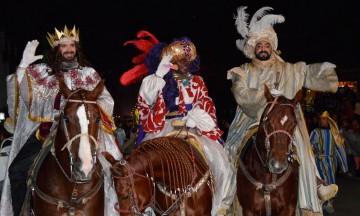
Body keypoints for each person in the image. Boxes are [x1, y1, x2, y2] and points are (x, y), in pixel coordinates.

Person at [225, 6, 339, 215]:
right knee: (230, 153)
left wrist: (323, 70)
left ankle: (315, 184)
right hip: (252, 119)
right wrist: (263, 94)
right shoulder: (242, 70)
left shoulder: (288, 68)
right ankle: (225, 198)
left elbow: (305, 71)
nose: (263, 47)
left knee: (301, 145)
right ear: (253, 48)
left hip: (283, 120)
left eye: (267, 44)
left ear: (272, 47)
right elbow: (241, 95)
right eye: (259, 44)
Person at [0, 25, 122, 216]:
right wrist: (23, 67)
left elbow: (106, 100)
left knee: (114, 171)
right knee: (17, 170)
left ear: (77, 48)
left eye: (71, 45)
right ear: (57, 49)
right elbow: (25, 97)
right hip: (48, 132)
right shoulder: (43, 73)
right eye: (63, 45)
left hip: (84, 130)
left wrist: (86, 108)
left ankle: (115, 209)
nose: (68, 49)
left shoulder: (89, 74)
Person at [120, 30, 232, 215]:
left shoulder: (198, 81)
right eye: (179, 61)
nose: (183, 65)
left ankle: (220, 204)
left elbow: (206, 101)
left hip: (193, 126)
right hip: (165, 125)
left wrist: (198, 115)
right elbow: (146, 99)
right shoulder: (160, 80)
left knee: (220, 158)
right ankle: (147, 207)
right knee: (145, 161)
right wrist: (158, 76)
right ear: (171, 63)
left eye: (186, 61)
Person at [310, 111, 348, 214]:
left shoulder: (333, 133)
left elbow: (339, 147)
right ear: (319, 120)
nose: (324, 121)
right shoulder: (315, 132)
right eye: (322, 119)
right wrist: (315, 150)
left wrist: (343, 164)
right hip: (320, 161)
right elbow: (310, 147)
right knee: (323, 181)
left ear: (329, 120)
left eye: (326, 119)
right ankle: (325, 204)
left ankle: (328, 202)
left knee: (331, 181)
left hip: (332, 161)